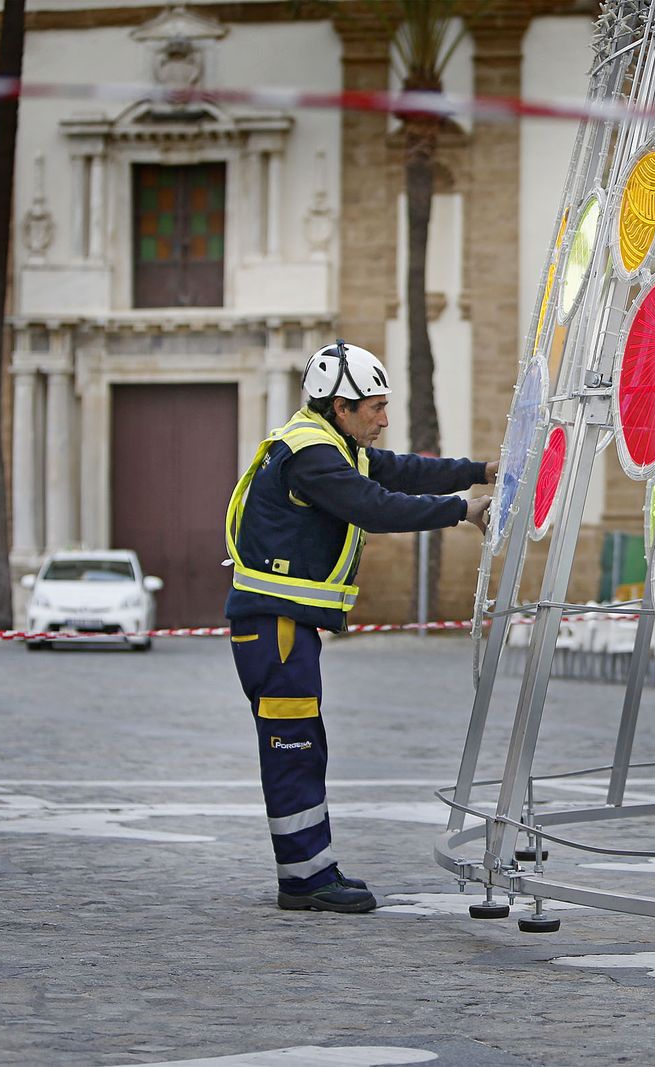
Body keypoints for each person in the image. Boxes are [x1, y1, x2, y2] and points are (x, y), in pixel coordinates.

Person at [224, 340, 496, 913]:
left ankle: (311, 871)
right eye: (372, 406)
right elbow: (376, 505)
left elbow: (402, 470)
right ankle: (304, 882)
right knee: (293, 747)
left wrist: (481, 471)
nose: (383, 417)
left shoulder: (330, 445)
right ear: (338, 407)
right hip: (275, 626)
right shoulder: (314, 456)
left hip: (284, 625)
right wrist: (463, 509)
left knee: (303, 747)